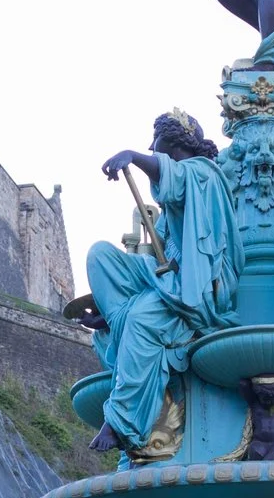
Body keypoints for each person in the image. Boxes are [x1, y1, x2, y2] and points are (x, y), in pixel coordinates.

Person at [81, 111, 241, 454]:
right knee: (101, 256)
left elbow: (180, 178)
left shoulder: (205, 175)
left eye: (155, 141)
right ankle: (115, 315)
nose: (151, 146)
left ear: (173, 141)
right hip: (170, 280)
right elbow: (158, 260)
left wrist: (134, 157)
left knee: (142, 319)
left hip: (199, 291)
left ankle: (122, 421)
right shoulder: (172, 208)